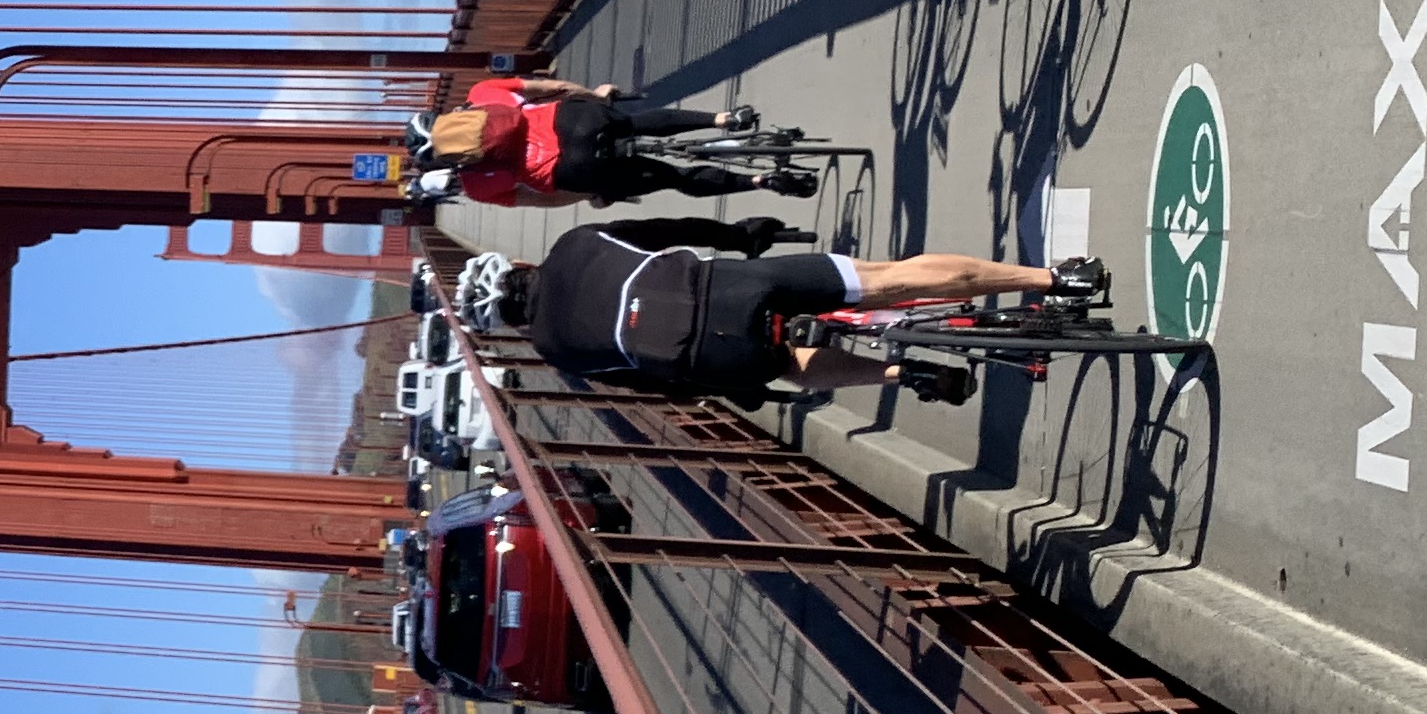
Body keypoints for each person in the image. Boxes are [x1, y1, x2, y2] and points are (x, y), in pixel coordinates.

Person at [450, 224, 1101, 403]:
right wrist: (742, 237)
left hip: (718, 355)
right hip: (738, 284)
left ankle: (907, 379)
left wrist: (729, 388)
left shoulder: (557, 353)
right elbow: (667, 226)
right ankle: (1054, 279)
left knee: (789, 367)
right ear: (518, 270)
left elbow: (650, 385)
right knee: (888, 279)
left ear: (508, 325)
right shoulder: (576, 245)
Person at [418, 69, 796, 205]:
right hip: (571, 120)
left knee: (672, 179)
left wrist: (590, 194)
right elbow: (552, 86)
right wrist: (594, 96)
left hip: (571, 170)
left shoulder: (476, 186)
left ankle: (761, 181)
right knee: (635, 123)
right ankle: (725, 119)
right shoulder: (484, 94)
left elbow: (540, 202)